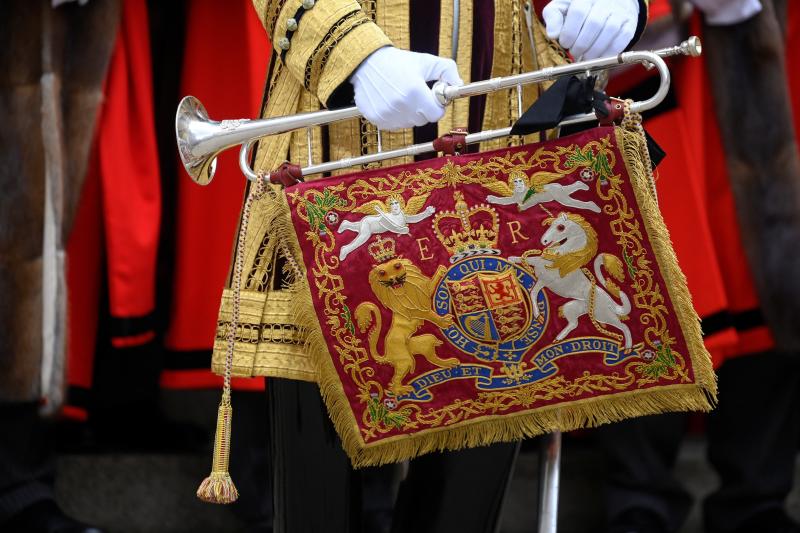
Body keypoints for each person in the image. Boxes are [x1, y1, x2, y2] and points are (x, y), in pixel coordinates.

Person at [210, 1, 649, 532]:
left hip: (506, 134)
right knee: (316, 515)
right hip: (332, 145)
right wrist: (355, 53)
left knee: (461, 513)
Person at [595, 1, 800, 532]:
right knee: (642, 276)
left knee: (770, 275)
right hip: (656, 63)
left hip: (779, 50)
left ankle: (758, 497)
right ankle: (636, 495)